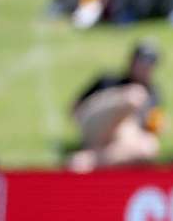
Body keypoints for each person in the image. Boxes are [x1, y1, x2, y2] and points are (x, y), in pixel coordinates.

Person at [68, 40, 163, 172]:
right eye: (142, 61)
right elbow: (76, 107)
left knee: (149, 148)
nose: (146, 67)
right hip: (97, 124)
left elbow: (152, 129)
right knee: (134, 96)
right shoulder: (108, 80)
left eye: (150, 63)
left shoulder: (154, 94)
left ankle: (89, 159)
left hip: (125, 137)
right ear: (132, 61)